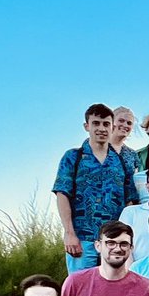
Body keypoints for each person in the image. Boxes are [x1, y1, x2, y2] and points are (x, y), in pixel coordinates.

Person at [53, 103, 137, 273]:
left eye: (106, 124)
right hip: (83, 238)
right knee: (81, 286)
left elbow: (130, 200)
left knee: (114, 286)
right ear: (87, 126)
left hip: (113, 241)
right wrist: (69, 233)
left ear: (112, 127)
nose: (101, 128)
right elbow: (62, 194)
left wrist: (124, 238)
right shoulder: (73, 157)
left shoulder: (121, 161)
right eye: (96, 123)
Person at [109, 105, 141, 174]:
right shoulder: (97, 148)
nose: (125, 125)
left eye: (129, 123)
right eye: (121, 121)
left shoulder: (132, 154)